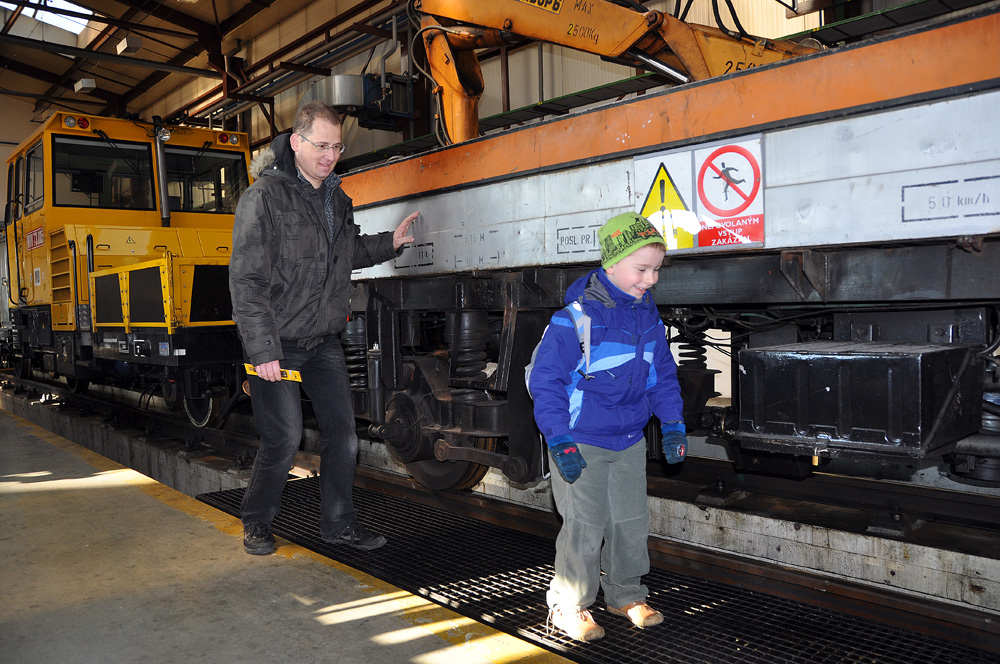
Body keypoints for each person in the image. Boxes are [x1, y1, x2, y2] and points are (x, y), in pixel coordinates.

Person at [230, 101, 418, 555]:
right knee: (284, 437)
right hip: (276, 341)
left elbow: (345, 251)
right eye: (321, 145)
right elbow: (247, 281)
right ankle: (257, 520)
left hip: (322, 341)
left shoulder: (336, 197)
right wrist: (262, 351)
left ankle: (339, 526)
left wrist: (387, 245)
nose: (330, 155)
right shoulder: (265, 198)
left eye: (337, 146)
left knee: (345, 436)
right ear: (296, 142)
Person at [527, 211, 688, 642]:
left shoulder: (649, 321)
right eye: (642, 269)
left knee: (631, 520)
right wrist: (558, 440)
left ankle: (625, 594)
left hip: (629, 440)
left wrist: (672, 423)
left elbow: (663, 378)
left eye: (656, 270)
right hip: (581, 440)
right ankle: (570, 604)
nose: (651, 279)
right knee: (584, 522)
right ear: (611, 264)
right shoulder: (574, 319)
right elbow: (547, 384)